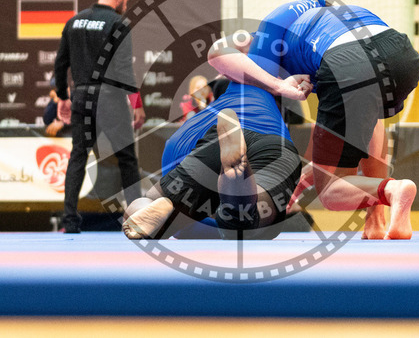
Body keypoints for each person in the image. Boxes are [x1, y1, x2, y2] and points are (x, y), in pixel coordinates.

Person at [208, 0, 419, 239]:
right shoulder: (319, 25)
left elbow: (216, 51)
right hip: (402, 55)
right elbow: (370, 123)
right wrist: (311, 174)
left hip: (349, 63)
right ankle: (377, 219)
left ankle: (393, 189)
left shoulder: (265, 38)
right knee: (352, 140)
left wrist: (277, 85)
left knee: (330, 191)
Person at [122, 35, 311, 240]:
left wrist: (243, 39)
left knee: (157, 204)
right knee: (256, 220)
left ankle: (165, 206)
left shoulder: (231, 81)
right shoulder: (283, 81)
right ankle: (235, 181)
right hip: (275, 145)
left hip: (208, 143)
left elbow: (218, 52)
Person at [54, 0, 145, 233]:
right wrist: (137, 103)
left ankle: (69, 221)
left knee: (78, 157)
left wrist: (62, 97)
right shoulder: (118, 23)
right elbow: (124, 69)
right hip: (110, 97)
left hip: (82, 96)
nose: (126, 4)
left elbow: (60, 63)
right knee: (126, 158)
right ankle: (138, 219)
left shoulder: (74, 22)